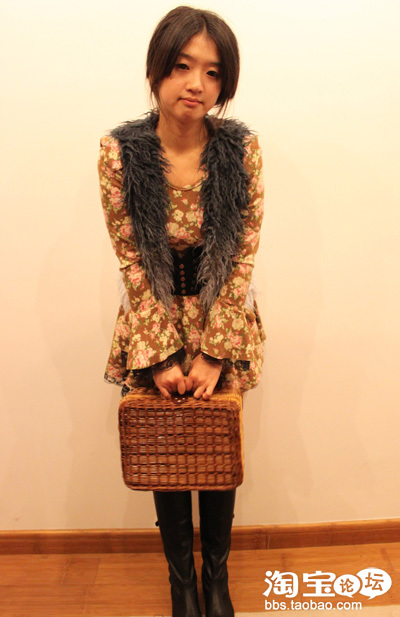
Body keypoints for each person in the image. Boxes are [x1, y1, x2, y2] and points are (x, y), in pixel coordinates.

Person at [98, 6, 265, 617]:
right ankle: (182, 586)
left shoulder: (241, 151)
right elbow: (132, 260)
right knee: (165, 448)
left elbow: (242, 257)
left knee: (215, 446)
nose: (197, 84)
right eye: (183, 66)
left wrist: (215, 352)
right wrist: (163, 354)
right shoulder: (120, 153)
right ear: (157, 71)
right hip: (154, 319)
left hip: (222, 318)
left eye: (213, 72)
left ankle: (216, 580)